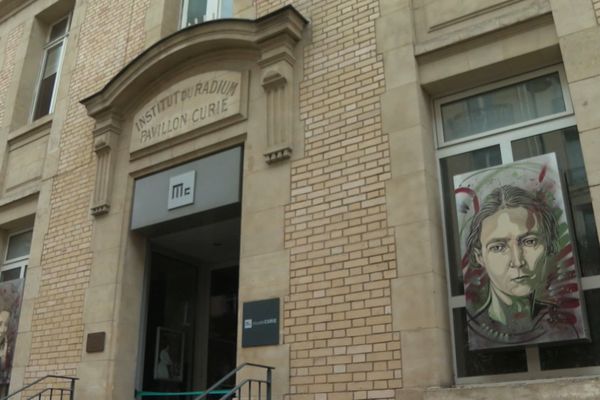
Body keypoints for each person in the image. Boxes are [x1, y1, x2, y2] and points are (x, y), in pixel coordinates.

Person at [464, 185, 580, 348]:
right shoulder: (470, 328)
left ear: (547, 245)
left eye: (529, 241)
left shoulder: (565, 325)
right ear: (479, 256)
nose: (518, 261)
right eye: (498, 247)